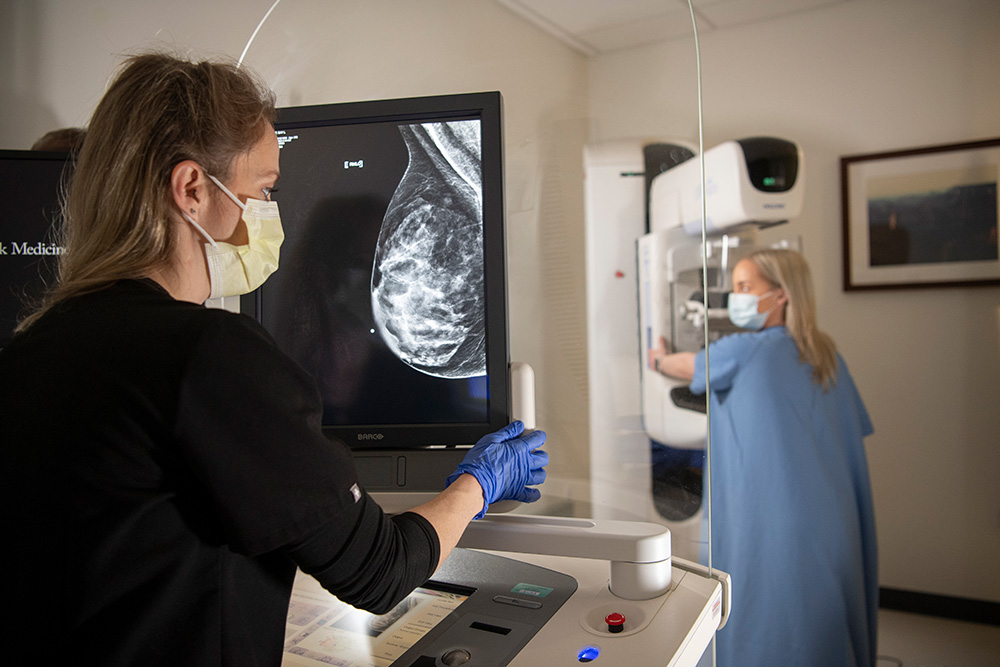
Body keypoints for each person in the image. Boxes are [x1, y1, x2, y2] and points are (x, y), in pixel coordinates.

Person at [0, 52, 547, 666]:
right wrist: (479, 483)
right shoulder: (207, 354)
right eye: (264, 190)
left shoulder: (31, 348)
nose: (271, 213)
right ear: (191, 190)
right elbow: (380, 570)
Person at [648, 248, 877, 667]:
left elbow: (689, 366)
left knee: (769, 613)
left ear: (781, 294)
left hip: (778, 521)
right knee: (819, 614)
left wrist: (659, 357)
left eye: (744, 287)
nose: (736, 297)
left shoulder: (747, 349)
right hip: (832, 517)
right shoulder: (827, 354)